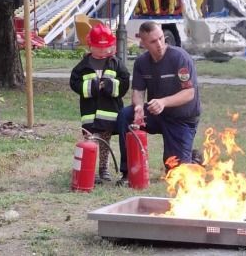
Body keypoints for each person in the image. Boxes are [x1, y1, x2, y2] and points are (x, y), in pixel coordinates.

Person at [116, 21, 201, 186]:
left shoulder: (179, 57)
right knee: (126, 115)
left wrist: (163, 102)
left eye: (161, 38)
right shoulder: (141, 62)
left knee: (176, 174)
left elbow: (189, 93)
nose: (160, 44)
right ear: (144, 43)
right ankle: (128, 173)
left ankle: (194, 159)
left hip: (182, 118)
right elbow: (138, 92)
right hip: (157, 114)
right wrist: (139, 107)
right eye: (153, 42)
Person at [69, 24, 130, 183]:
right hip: (89, 114)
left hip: (108, 114)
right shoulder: (83, 66)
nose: (103, 51)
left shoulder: (115, 63)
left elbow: (124, 82)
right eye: (99, 47)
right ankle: (89, 170)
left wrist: (110, 86)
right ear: (90, 46)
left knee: (104, 143)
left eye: (107, 47)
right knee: (90, 142)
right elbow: (74, 83)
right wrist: (94, 86)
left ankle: (104, 169)